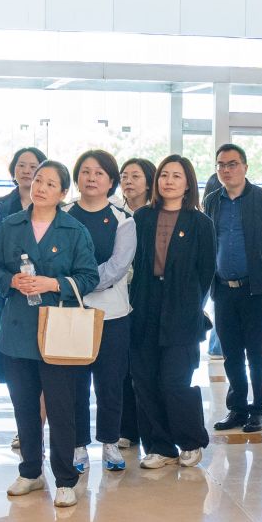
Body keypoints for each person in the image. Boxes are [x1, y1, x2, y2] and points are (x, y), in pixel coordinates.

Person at [0, 159, 98, 505]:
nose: (41, 188)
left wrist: (53, 283)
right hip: (17, 329)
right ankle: (30, 472)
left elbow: (89, 277)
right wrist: (10, 281)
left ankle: (65, 479)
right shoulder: (11, 225)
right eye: (38, 180)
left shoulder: (74, 230)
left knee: (61, 409)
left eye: (51, 184)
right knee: (24, 407)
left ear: (63, 193)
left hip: (57, 331)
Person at [127, 155, 218, 469]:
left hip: (182, 307)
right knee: (145, 380)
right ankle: (159, 446)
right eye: (164, 175)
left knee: (174, 381)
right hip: (144, 304)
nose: (168, 181)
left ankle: (191, 441)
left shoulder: (200, 223)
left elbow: (206, 271)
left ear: (188, 183)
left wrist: (191, 303)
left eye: (176, 176)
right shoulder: (142, 217)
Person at [203, 143, 262, 434]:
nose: (226, 170)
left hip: (255, 290)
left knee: (257, 354)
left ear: (245, 167)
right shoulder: (212, 200)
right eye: (221, 165)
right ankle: (237, 408)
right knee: (231, 354)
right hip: (223, 289)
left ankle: (258, 410)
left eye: (232, 164)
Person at [69, 149, 136, 473]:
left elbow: (118, 266)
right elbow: (56, 261)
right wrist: (73, 286)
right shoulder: (63, 215)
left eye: (99, 173)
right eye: (85, 171)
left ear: (111, 181)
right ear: (77, 177)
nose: (91, 178)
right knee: (75, 383)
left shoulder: (124, 218)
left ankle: (110, 443)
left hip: (113, 314)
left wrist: (77, 282)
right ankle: (78, 445)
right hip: (73, 312)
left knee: (110, 383)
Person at [0, 146, 43, 386]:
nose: (26, 171)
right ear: (13, 170)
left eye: (33, 166)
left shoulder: (56, 207)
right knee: (14, 369)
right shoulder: (0, 205)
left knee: (46, 366)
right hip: (8, 292)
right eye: (21, 165)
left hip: (44, 293)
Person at [114, 157, 156, 447]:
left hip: (149, 296)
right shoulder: (115, 212)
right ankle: (126, 429)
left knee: (145, 365)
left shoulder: (156, 214)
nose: (128, 181)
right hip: (119, 294)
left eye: (135, 176)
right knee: (121, 364)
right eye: (124, 176)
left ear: (149, 182)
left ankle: (151, 427)